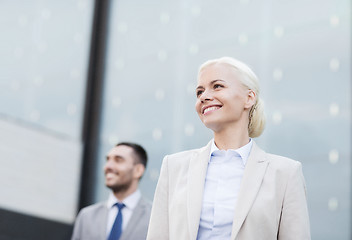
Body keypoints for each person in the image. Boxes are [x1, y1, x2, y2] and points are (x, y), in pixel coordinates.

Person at [147, 57, 310, 240]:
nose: (204, 97)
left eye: (217, 86)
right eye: (199, 91)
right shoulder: (173, 167)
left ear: (249, 98)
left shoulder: (285, 173)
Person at [72, 142, 152, 240]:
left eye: (118, 160)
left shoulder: (154, 217)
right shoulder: (86, 216)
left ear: (138, 170)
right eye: (108, 160)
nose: (108, 167)